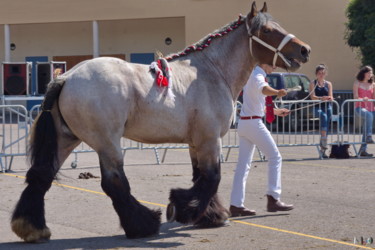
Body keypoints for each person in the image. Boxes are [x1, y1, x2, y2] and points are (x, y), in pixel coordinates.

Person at [229, 64, 293, 217]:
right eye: (272, 64)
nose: (274, 67)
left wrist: (276, 112)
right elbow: (263, 89)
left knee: (243, 166)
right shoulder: (258, 75)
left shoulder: (252, 73)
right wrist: (278, 92)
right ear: (264, 63)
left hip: (245, 122)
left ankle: (236, 205)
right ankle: (273, 198)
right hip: (253, 124)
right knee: (275, 157)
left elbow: (258, 103)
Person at [309, 64, 333, 158]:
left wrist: (329, 98)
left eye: (323, 73)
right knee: (323, 116)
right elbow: (312, 97)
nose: (321, 75)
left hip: (327, 106)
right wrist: (321, 98)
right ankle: (323, 144)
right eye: (319, 73)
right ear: (316, 74)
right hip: (317, 107)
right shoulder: (313, 83)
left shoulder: (329, 84)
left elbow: (331, 96)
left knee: (327, 124)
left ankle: (323, 148)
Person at [353, 65, 375, 157]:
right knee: (369, 116)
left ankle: (362, 151)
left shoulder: (373, 84)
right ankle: (369, 136)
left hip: (371, 108)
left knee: (366, 128)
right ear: (364, 73)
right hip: (359, 107)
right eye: (369, 72)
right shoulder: (357, 83)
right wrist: (362, 98)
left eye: (371, 73)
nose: (370, 74)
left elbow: (373, 98)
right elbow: (355, 97)